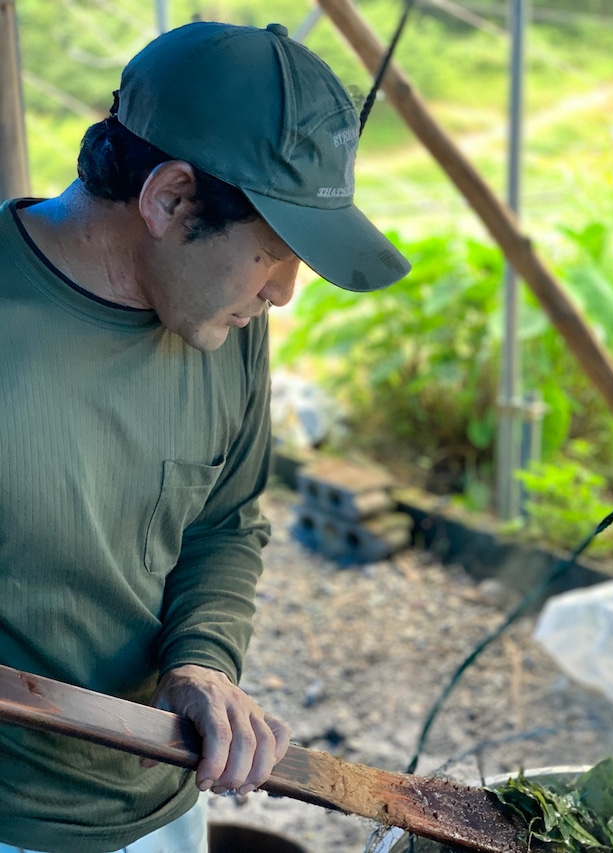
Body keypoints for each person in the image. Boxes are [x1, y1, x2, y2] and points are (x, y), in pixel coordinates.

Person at [0, 19, 410, 853]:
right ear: (170, 198)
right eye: (271, 253)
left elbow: (225, 521)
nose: (285, 294)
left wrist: (202, 661)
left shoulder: (221, 327)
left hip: (165, 800)